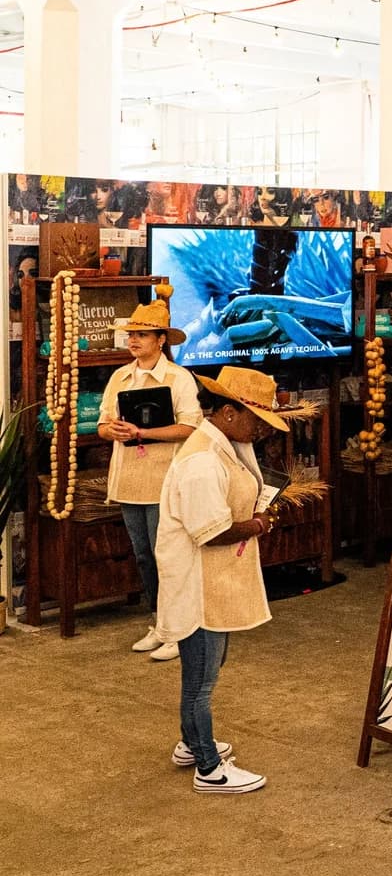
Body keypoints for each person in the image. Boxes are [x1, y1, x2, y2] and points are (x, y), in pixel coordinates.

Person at [155, 366, 287, 794]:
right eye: (256, 420)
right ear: (229, 413)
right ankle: (209, 768)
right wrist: (258, 525)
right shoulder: (202, 461)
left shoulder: (221, 446)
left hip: (211, 581)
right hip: (199, 585)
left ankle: (191, 745)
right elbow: (211, 532)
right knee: (202, 681)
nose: (262, 430)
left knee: (201, 672)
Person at [97, 301, 202, 662]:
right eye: (131, 335)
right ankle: (159, 623)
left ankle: (180, 630)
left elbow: (190, 426)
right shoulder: (120, 377)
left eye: (142, 334)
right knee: (144, 555)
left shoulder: (179, 378)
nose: (134, 341)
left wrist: (143, 431)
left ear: (161, 340)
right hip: (129, 480)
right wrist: (115, 430)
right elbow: (101, 425)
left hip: (166, 480)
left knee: (169, 556)